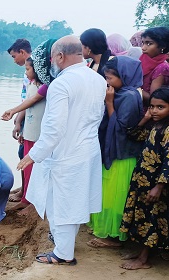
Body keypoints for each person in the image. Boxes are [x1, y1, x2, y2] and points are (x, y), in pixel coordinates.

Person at [18, 35, 106, 265]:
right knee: (74, 200)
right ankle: (63, 243)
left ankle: (63, 254)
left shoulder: (62, 84)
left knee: (62, 203)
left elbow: (53, 129)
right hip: (87, 149)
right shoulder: (96, 79)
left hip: (66, 153)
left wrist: (32, 155)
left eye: (52, 58)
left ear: (60, 56)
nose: (51, 63)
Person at [86, 56, 144, 249]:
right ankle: (107, 229)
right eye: (106, 78)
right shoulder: (122, 93)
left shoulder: (129, 96)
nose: (107, 82)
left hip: (122, 155)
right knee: (107, 193)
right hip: (114, 152)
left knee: (115, 196)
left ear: (125, 76)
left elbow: (121, 128)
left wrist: (110, 104)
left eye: (110, 78)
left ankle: (114, 236)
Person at [1, 40, 54, 214]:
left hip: (38, 134)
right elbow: (27, 103)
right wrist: (19, 124)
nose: (25, 71)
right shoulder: (31, 84)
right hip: (29, 130)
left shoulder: (45, 86)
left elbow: (32, 101)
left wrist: (13, 112)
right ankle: (26, 195)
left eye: (28, 69)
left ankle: (30, 200)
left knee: (35, 166)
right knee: (26, 164)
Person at [120, 87, 169, 270]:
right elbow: (133, 134)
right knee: (141, 218)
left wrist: (159, 186)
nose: (155, 111)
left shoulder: (168, 130)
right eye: (152, 107)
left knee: (152, 220)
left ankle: (143, 259)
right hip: (142, 181)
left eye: (160, 107)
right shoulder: (155, 125)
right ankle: (142, 251)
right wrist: (146, 118)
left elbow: (168, 161)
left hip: (156, 185)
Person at [6, 39, 32, 203]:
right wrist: (18, 119)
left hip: (30, 118)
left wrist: (18, 118)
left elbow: (31, 99)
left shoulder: (34, 71)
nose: (14, 60)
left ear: (22, 52)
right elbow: (26, 99)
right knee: (22, 152)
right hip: (25, 116)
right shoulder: (28, 72)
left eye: (14, 56)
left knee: (24, 154)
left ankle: (26, 193)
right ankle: (24, 190)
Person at [139, 27, 169, 107]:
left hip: (149, 112)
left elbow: (153, 99)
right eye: (143, 43)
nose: (143, 48)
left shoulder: (162, 67)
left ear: (162, 46)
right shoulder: (143, 59)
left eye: (149, 43)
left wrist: (134, 88)